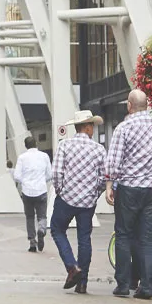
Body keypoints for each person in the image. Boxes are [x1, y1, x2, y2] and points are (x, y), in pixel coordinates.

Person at [105, 89, 152, 300]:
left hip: (129, 188)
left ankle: (124, 284)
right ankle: (147, 285)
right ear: (147, 105)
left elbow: (114, 163)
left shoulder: (124, 128)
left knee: (124, 234)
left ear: (129, 105)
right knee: (147, 237)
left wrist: (109, 185)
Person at [50, 111, 106, 293]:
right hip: (88, 203)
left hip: (66, 198)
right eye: (92, 127)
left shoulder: (64, 145)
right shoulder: (99, 149)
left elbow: (57, 173)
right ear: (87, 127)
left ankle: (72, 267)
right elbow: (103, 178)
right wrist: (95, 193)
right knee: (84, 239)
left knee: (57, 230)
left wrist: (60, 191)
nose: (93, 130)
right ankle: (83, 282)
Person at [14, 136, 52, 252]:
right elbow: (50, 175)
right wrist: (41, 181)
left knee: (30, 217)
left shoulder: (22, 158)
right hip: (41, 190)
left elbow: (16, 176)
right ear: (36, 143)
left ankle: (32, 243)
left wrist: (25, 182)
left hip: (27, 192)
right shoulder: (44, 156)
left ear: (26, 146)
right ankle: (41, 229)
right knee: (42, 216)